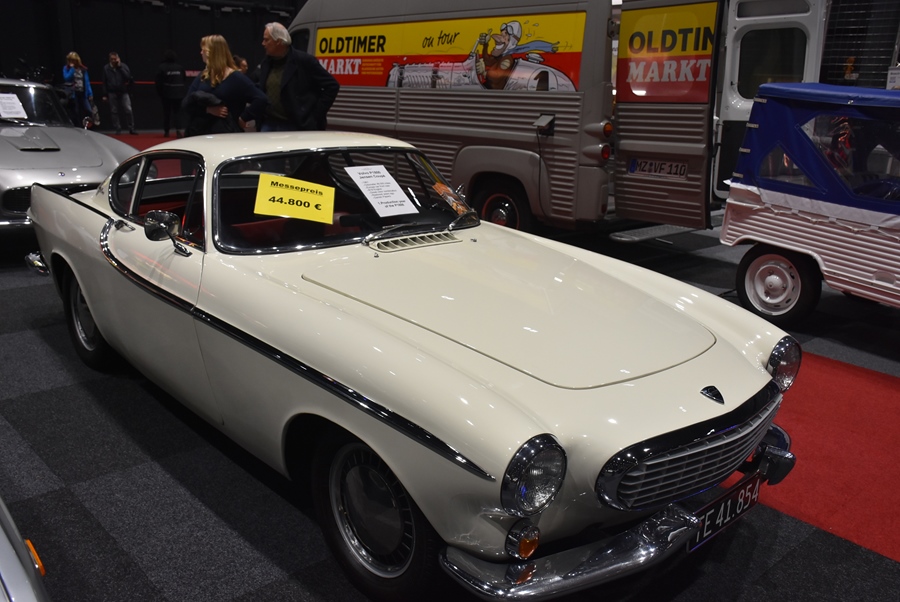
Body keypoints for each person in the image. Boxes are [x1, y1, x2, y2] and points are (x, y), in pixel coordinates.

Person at [257, 22, 339, 131]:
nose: (263, 43)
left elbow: (332, 85)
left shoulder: (304, 61)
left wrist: (315, 115)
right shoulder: (266, 63)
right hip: (269, 123)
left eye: (266, 40)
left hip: (296, 125)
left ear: (278, 41)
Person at [182, 35, 268, 137]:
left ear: (211, 52)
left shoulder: (236, 77)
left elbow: (261, 99)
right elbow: (186, 104)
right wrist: (208, 110)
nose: (201, 53)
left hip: (227, 136)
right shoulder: (203, 76)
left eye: (203, 49)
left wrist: (243, 118)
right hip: (201, 134)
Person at [102, 52, 136, 134]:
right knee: (114, 111)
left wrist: (120, 67)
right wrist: (105, 94)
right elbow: (104, 82)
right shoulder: (106, 68)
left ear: (118, 58)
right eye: (112, 59)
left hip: (123, 91)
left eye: (115, 59)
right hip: (112, 91)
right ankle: (117, 128)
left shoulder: (123, 66)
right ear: (109, 60)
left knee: (128, 109)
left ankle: (131, 128)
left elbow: (128, 77)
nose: (114, 61)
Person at [155, 50, 186, 137]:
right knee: (177, 112)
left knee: (166, 113)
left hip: (166, 94)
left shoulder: (162, 67)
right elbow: (184, 79)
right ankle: (178, 130)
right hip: (178, 94)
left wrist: (160, 92)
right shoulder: (180, 68)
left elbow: (158, 81)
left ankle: (166, 131)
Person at [62, 51, 94, 127]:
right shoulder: (66, 68)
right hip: (73, 93)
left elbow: (87, 82)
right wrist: (72, 69)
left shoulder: (83, 69)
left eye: (73, 60)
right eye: (70, 60)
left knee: (88, 110)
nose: (72, 62)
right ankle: (78, 126)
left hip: (82, 93)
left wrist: (90, 93)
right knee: (76, 112)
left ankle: (87, 125)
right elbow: (66, 78)